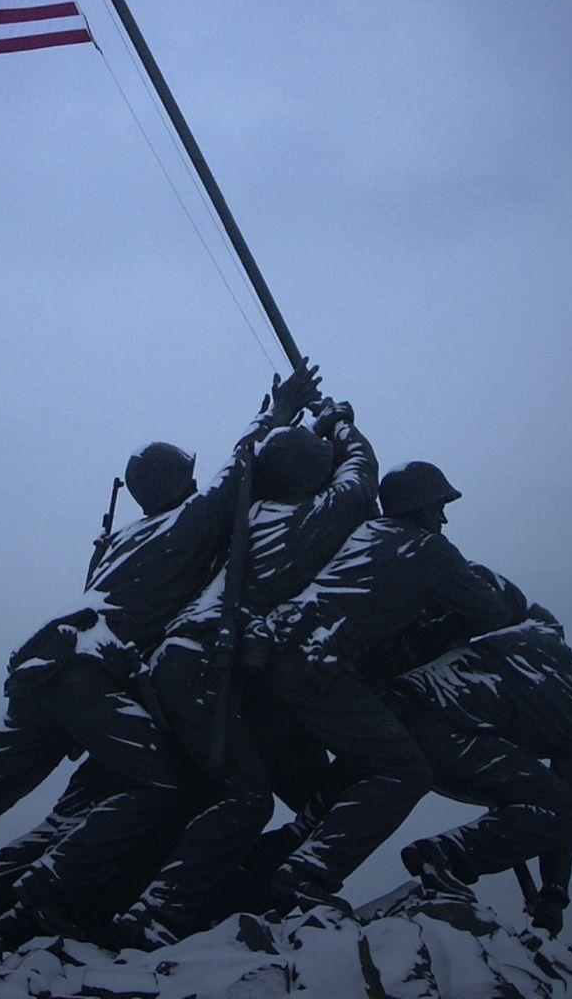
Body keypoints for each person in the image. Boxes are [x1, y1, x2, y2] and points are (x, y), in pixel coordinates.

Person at [0, 366, 320, 963]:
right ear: (179, 480)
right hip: (85, 670)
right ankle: (47, 888)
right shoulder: (187, 523)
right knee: (160, 783)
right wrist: (280, 411)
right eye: (188, 472)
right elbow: (240, 469)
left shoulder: (123, 541)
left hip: (43, 666)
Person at [111, 398, 377, 946]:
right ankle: (157, 912)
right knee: (247, 797)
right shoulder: (312, 519)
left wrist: (284, 427)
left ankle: (239, 887)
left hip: (190, 664)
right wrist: (342, 426)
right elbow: (360, 479)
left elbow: (245, 468)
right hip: (206, 663)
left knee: (284, 787)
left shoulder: (244, 514)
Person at [246, 460, 527, 913]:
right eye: (439, 506)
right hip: (316, 667)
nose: (444, 517)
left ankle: (260, 867)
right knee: (406, 771)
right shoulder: (427, 551)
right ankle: (305, 874)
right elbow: (489, 611)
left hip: (282, 659)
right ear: (419, 507)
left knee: (332, 787)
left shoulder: (366, 534)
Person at [385, 607, 572, 937]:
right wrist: (554, 893)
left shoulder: (543, 633)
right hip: (449, 738)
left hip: (396, 705)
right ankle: (444, 855)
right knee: (570, 813)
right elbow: (562, 814)